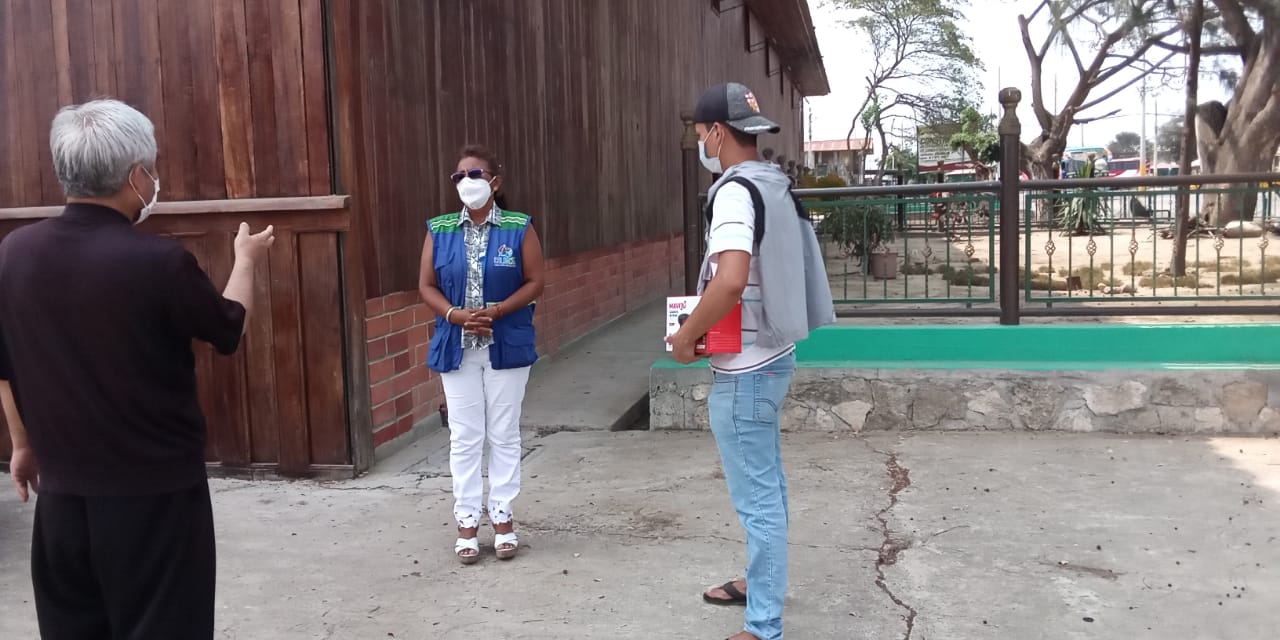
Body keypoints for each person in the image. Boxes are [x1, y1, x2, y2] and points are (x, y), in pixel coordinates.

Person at [0, 99, 274, 639]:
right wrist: (245, 260)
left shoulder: (14, 253)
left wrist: (23, 445)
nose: (153, 178)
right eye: (151, 168)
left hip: (61, 497)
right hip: (156, 500)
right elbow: (229, 329)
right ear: (135, 176)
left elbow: (5, 364)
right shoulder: (158, 262)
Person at [666, 83, 835, 640]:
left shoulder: (735, 193)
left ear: (716, 133)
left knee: (758, 497)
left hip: (746, 372)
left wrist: (686, 336)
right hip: (775, 354)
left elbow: (731, 280)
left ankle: (763, 624)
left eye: (700, 134)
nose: (700, 144)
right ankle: (764, 583)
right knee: (769, 485)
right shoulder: (773, 182)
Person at [417, 145, 545, 564]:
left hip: (506, 344)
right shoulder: (439, 229)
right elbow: (426, 285)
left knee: (504, 433)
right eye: (460, 176)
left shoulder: (519, 227)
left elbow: (535, 281)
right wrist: (454, 315)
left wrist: (498, 311)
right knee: (465, 436)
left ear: (495, 182)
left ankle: (503, 517)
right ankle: (467, 521)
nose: (467, 182)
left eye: (476, 174)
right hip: (457, 347)